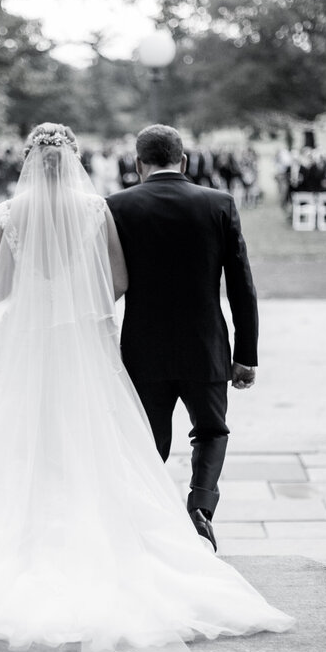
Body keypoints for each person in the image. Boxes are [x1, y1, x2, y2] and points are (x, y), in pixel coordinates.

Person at [0, 123, 294, 652]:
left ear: (31, 159)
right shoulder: (95, 210)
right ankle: (165, 518)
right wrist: (81, 300)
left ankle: (23, 528)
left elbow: (1, 289)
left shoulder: (11, 212)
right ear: (73, 158)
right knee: (98, 438)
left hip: (28, 345)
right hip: (85, 341)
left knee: (17, 439)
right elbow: (118, 281)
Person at [105, 125, 258, 553]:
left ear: (138, 164)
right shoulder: (218, 203)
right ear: (184, 161)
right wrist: (245, 355)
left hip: (141, 348)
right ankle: (200, 509)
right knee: (211, 431)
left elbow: (104, 282)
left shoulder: (116, 206)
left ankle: (150, 523)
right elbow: (241, 285)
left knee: (147, 441)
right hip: (205, 345)